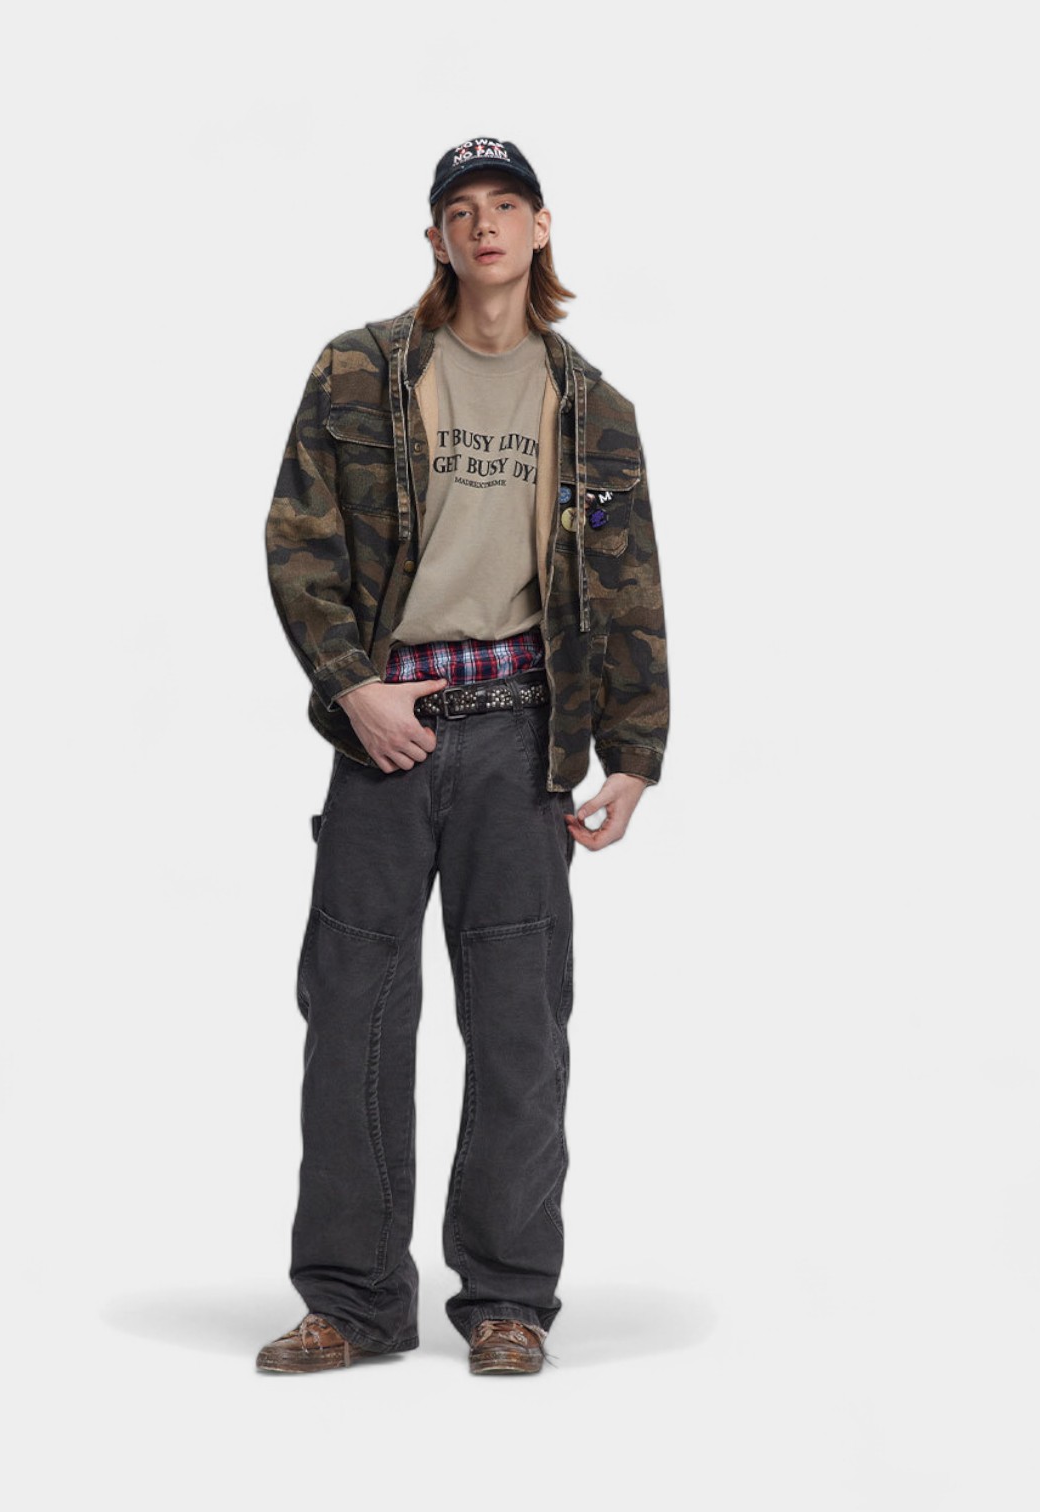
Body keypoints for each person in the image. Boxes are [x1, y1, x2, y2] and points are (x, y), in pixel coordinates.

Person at [258, 136, 669, 1376]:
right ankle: (352, 1302)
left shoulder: (595, 409)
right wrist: (355, 688)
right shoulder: (362, 370)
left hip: (526, 741)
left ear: (541, 228)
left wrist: (633, 752)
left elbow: (628, 580)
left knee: (520, 1028)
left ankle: (507, 1299)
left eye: (505, 205)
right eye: (459, 210)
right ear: (435, 238)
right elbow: (297, 540)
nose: (483, 225)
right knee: (353, 1017)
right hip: (388, 734)